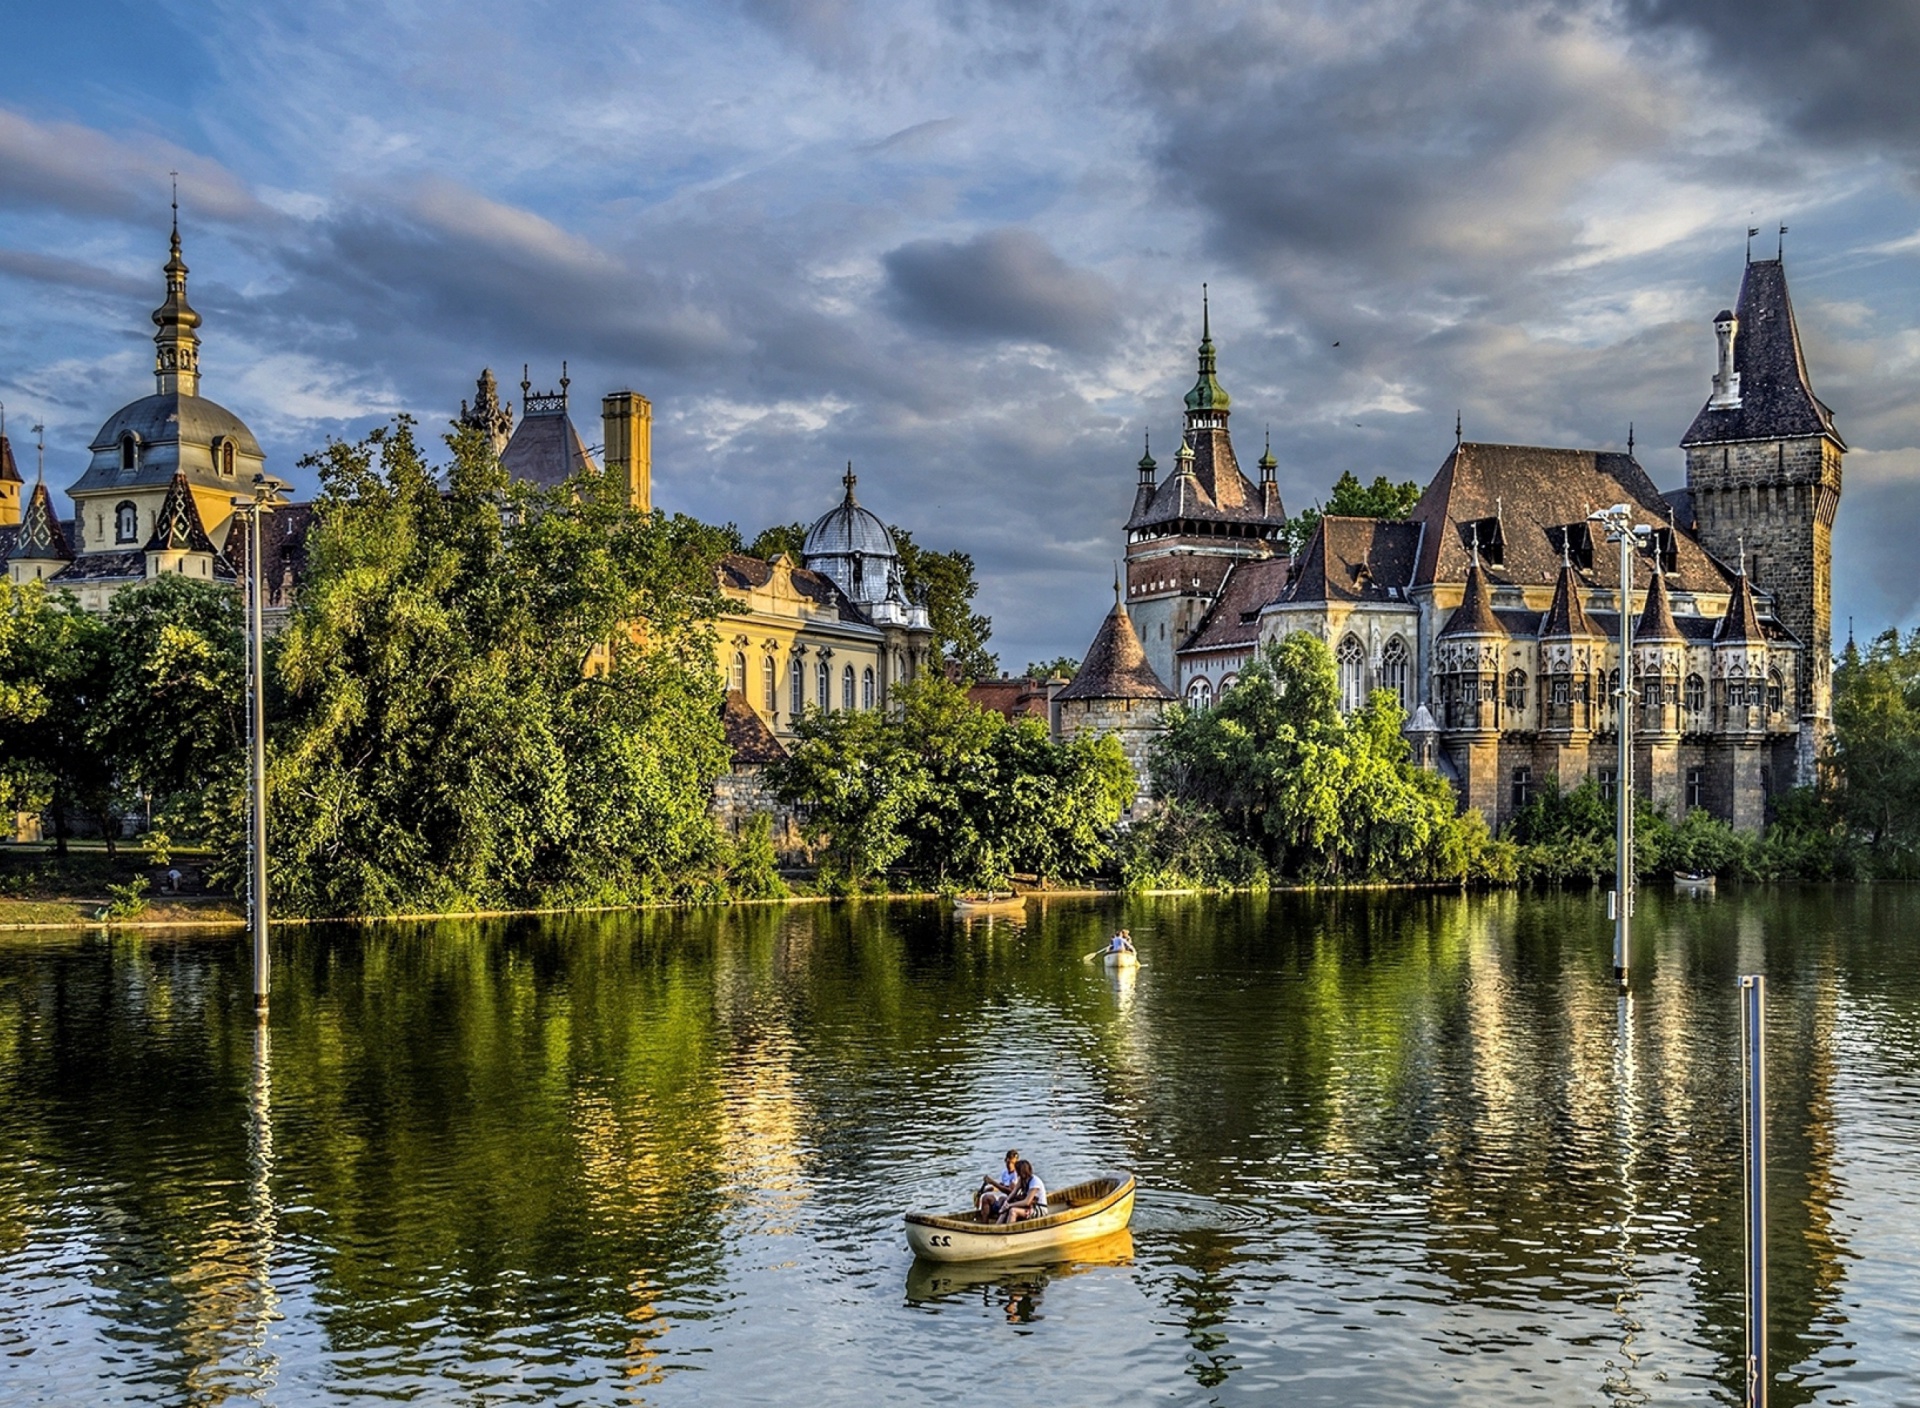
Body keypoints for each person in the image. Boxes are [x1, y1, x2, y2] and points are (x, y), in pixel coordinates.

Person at [999, 1158, 1048, 1224]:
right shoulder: (1021, 1180)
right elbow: (1013, 1192)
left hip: (1039, 1208)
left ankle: (1009, 1230)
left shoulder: (1035, 1182)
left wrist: (1010, 1205)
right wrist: (1006, 1202)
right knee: (1006, 1208)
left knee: (1013, 1211)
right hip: (1029, 1206)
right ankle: (997, 1227)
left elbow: (1027, 1202)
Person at [976, 1149, 1020, 1219]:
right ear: (1005, 1160)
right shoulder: (1004, 1172)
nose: (1010, 1166)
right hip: (1002, 1199)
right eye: (1008, 1163)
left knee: (1002, 1199)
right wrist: (985, 1190)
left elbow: (1010, 1191)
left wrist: (992, 1182)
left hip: (1012, 1201)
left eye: (1012, 1163)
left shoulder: (1017, 1174)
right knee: (985, 1198)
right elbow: (1001, 1185)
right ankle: (984, 1224)